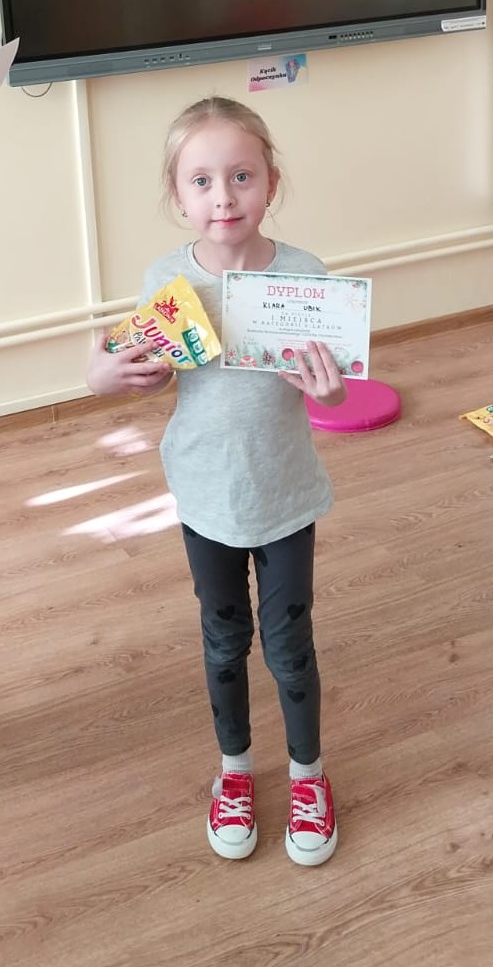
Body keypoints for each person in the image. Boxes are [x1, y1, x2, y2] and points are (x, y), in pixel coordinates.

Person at [87, 95, 345, 865]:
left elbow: (333, 392)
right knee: (224, 638)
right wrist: (109, 375)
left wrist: (330, 392)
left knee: (290, 647)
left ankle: (308, 777)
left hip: (286, 491)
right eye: (201, 181)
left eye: (241, 176)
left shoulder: (305, 275)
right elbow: (141, 370)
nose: (223, 197)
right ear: (178, 195)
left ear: (271, 183)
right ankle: (234, 770)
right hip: (204, 494)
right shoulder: (165, 278)